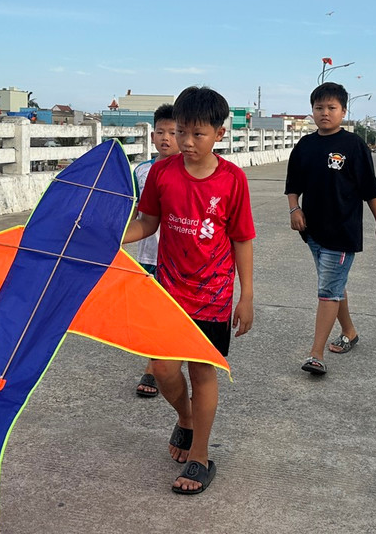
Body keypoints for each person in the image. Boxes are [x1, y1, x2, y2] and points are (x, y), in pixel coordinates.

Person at [123, 85, 255, 495]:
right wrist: (114, 236)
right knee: (163, 369)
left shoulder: (232, 179)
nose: (186, 142)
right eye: (181, 132)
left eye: (197, 134)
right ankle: (186, 417)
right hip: (169, 288)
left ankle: (200, 455)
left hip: (214, 295)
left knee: (202, 372)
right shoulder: (162, 173)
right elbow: (148, 221)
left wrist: (245, 294)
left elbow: (242, 239)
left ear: (219, 133)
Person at [285, 82, 376, 376]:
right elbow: (293, 184)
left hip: (342, 232)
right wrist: (295, 209)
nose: (325, 113)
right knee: (334, 286)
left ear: (343, 111)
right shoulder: (305, 146)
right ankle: (350, 331)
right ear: (312, 112)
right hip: (313, 232)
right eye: (319, 108)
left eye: (332, 108)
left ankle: (316, 353)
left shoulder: (353, 146)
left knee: (328, 289)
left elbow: (370, 189)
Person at [131, 104, 179, 398]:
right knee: (152, 315)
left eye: (173, 132)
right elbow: (135, 213)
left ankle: (154, 367)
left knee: (170, 314)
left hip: (176, 258)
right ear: (152, 136)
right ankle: (155, 362)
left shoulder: (186, 170)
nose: (166, 138)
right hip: (147, 255)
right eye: (160, 131)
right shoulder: (141, 171)